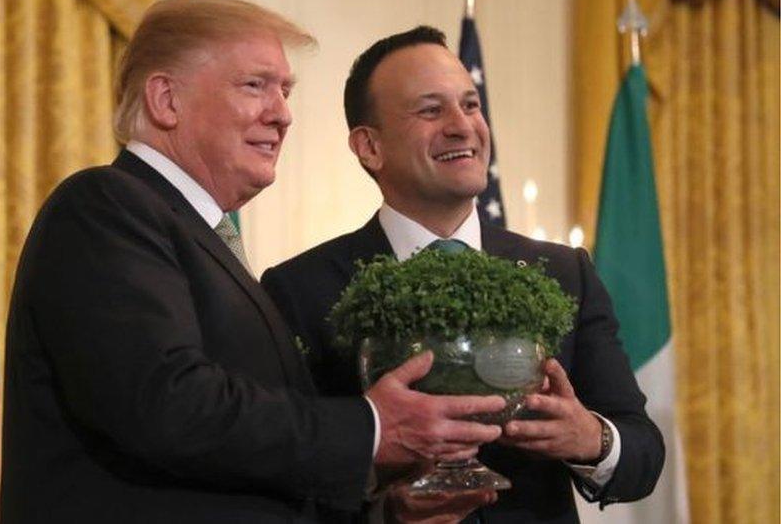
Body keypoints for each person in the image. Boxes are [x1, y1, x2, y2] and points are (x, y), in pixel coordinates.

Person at [0, 0, 507, 523]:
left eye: (285, 91)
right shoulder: (105, 206)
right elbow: (169, 405)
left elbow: (244, 463)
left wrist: (385, 511)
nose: (283, 114)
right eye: (255, 86)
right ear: (165, 99)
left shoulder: (201, 237)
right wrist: (373, 428)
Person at [261, 26, 665, 523]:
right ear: (369, 147)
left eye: (471, 106)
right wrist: (382, 509)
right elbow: (284, 477)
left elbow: (643, 454)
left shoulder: (565, 274)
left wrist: (592, 438)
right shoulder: (300, 290)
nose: (462, 126)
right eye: (431, 111)